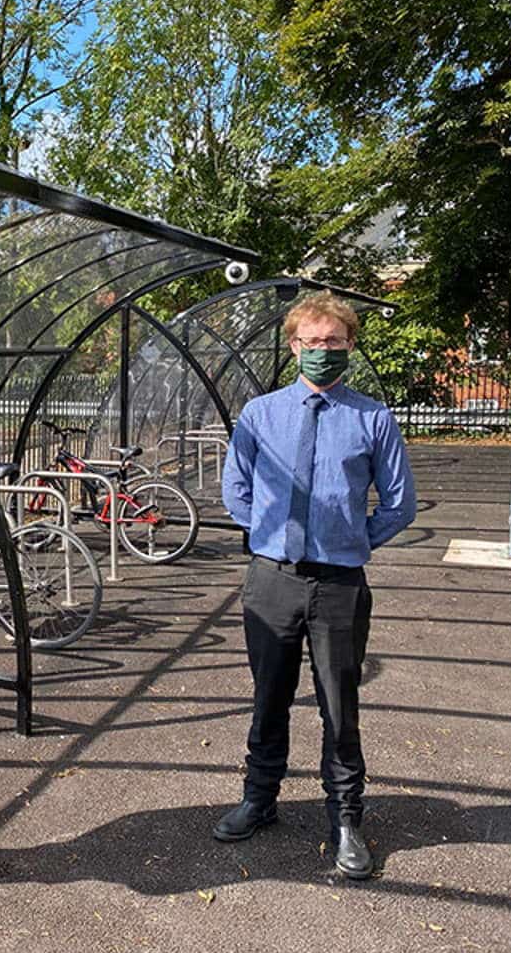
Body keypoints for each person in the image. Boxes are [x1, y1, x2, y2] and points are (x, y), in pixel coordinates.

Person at [216, 291, 416, 878]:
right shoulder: (260, 413)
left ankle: (347, 819)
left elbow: (399, 504)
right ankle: (259, 799)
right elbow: (236, 489)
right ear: (293, 346)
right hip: (272, 579)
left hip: (339, 585)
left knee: (339, 704)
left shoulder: (372, 418)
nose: (321, 351)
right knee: (268, 696)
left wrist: (352, 539)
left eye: (332, 341)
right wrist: (273, 534)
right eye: (310, 342)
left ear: (349, 345)